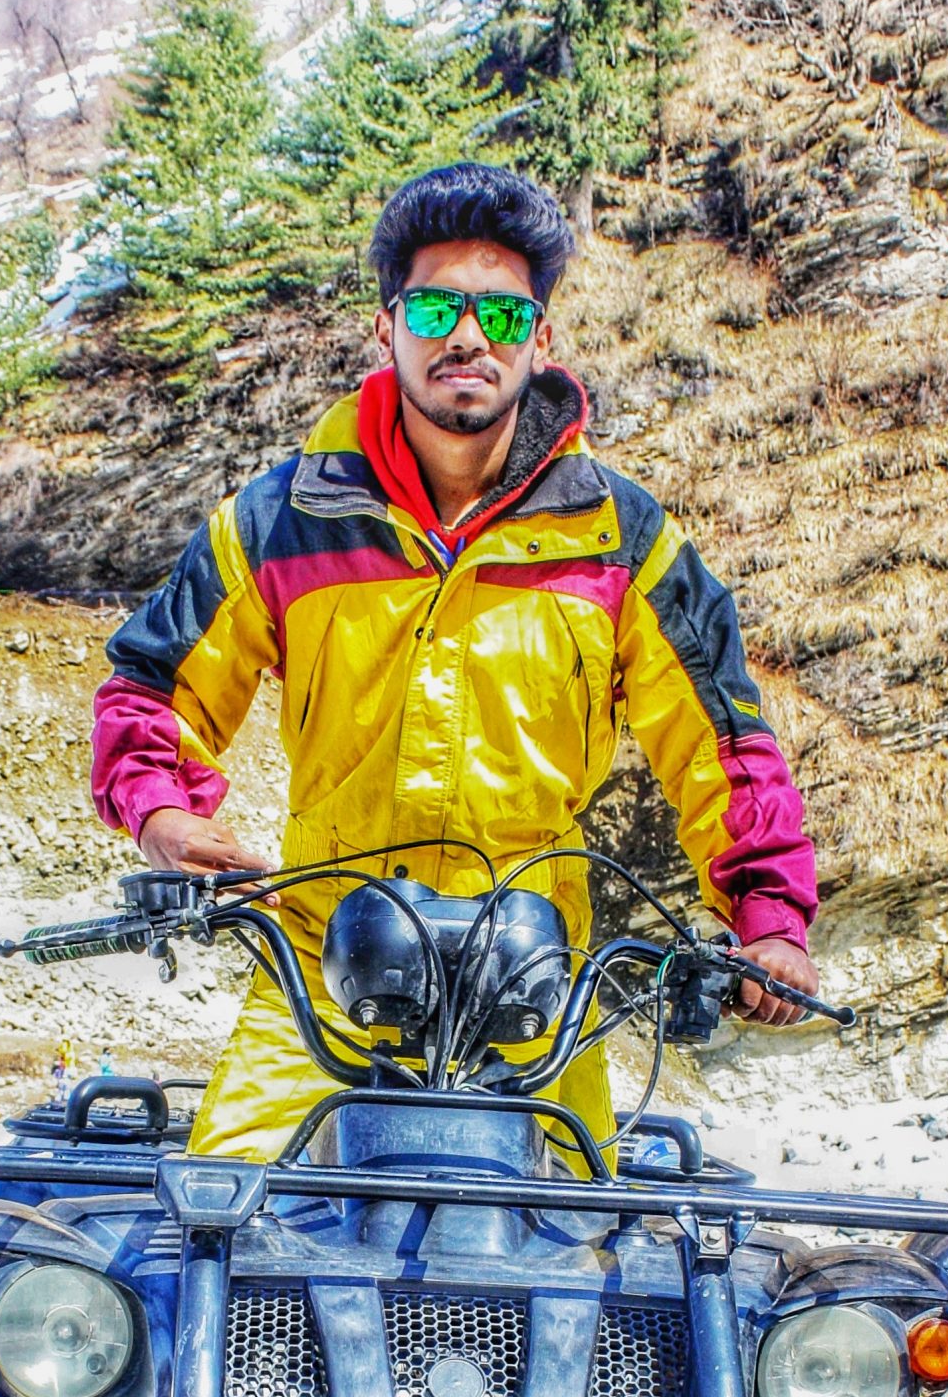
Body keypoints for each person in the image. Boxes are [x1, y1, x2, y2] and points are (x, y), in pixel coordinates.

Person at [89, 161, 821, 1161]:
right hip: (321, 964)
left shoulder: (620, 536)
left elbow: (723, 740)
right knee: (229, 1224)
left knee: (578, 1257)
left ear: (541, 338)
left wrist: (767, 918)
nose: (467, 337)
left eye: (502, 315)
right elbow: (151, 685)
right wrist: (164, 814)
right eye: (435, 306)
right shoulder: (278, 521)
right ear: (385, 327)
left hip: (538, 982)